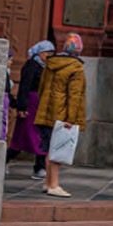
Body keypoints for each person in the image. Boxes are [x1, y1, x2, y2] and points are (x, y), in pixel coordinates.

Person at [34, 32, 87, 198]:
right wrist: (71, 119)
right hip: (63, 115)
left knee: (50, 148)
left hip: (47, 112)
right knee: (59, 149)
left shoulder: (51, 63)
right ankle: (54, 185)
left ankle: (48, 182)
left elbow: (42, 88)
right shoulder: (76, 67)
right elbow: (74, 95)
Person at [6, 40, 55, 178]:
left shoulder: (49, 67)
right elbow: (25, 87)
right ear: (39, 53)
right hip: (31, 104)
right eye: (47, 53)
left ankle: (40, 167)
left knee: (44, 135)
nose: (49, 56)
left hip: (44, 106)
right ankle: (6, 158)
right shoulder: (31, 65)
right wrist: (22, 107)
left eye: (52, 53)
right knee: (24, 135)